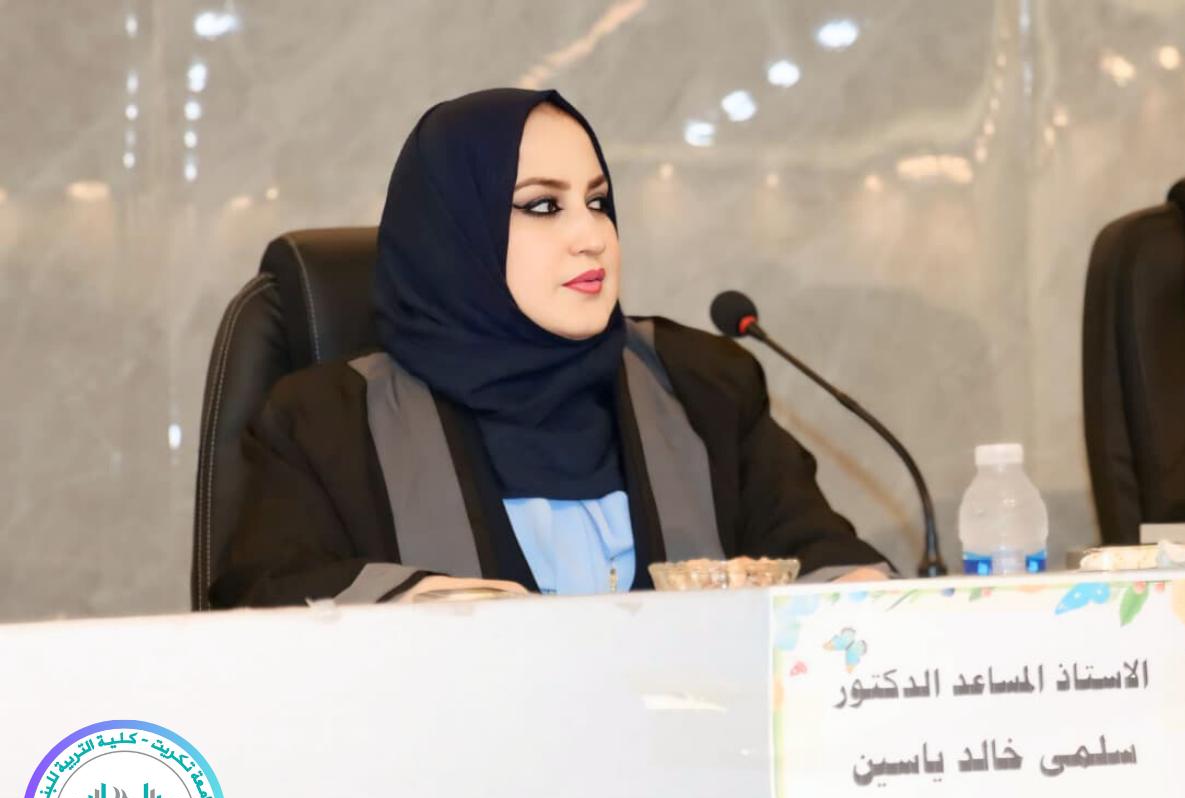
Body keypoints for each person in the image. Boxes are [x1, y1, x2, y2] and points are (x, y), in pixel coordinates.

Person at [210, 88, 890, 608]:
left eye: (598, 202)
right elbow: (264, 594)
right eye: (542, 206)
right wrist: (414, 603)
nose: (591, 236)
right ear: (456, 235)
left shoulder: (703, 385)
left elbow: (821, 554)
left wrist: (864, 596)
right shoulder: (327, 422)